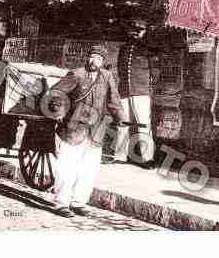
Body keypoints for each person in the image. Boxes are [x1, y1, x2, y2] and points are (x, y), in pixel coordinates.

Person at [48, 44, 126, 217]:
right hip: (74, 128)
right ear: (87, 57)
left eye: (98, 58)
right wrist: (59, 112)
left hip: (96, 130)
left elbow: (114, 100)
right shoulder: (76, 74)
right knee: (67, 167)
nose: (94, 61)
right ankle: (61, 203)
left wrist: (121, 118)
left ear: (103, 61)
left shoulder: (106, 77)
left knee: (89, 169)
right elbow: (56, 93)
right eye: (92, 57)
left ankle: (78, 202)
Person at [110, 20, 159, 169]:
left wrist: (147, 89)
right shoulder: (124, 48)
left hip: (141, 91)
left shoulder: (149, 49)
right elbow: (120, 69)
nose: (136, 32)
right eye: (134, 29)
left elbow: (155, 73)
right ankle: (119, 156)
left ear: (145, 31)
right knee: (123, 123)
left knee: (143, 124)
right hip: (124, 91)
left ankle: (147, 158)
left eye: (140, 30)